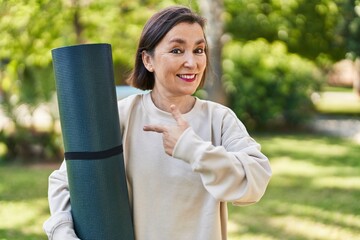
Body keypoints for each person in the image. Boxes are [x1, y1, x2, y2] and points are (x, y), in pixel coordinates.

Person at [43, 5, 272, 240]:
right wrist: (62, 232)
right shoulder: (120, 116)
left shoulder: (219, 119)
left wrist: (192, 149)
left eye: (199, 50)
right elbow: (66, 181)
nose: (192, 62)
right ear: (148, 60)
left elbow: (254, 182)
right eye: (177, 50)